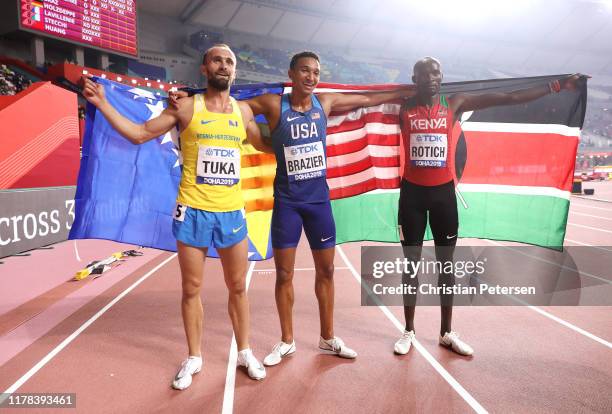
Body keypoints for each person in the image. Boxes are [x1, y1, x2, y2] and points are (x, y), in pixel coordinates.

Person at [177, 51, 414, 365]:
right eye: (305, 71)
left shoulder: (325, 103)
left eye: (315, 72)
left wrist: (403, 93)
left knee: (327, 270)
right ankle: (287, 340)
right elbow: (228, 100)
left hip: (318, 202)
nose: (311, 77)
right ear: (291, 73)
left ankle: (328, 338)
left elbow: (367, 100)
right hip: (287, 202)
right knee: (284, 274)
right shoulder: (274, 104)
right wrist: (186, 96)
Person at [81, 44, 272, 389]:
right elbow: (140, 134)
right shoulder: (185, 107)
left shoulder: (243, 112)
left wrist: (303, 133)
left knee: (238, 287)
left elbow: (262, 144)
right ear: (204, 68)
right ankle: (194, 356)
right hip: (193, 210)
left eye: (229, 61)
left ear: (235, 71)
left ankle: (245, 351)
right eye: (217, 59)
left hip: (231, 211)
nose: (224, 65)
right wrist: (103, 103)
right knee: (191, 288)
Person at [393, 57, 584, 357]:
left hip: (443, 196)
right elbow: (360, 101)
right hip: (412, 198)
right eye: (424, 74)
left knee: (446, 266)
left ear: (442, 77)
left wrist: (555, 86)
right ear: (414, 78)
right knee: (411, 266)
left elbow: (507, 97)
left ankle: (446, 332)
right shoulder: (402, 107)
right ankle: (408, 331)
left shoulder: (454, 103)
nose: (432, 78)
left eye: (436, 72)